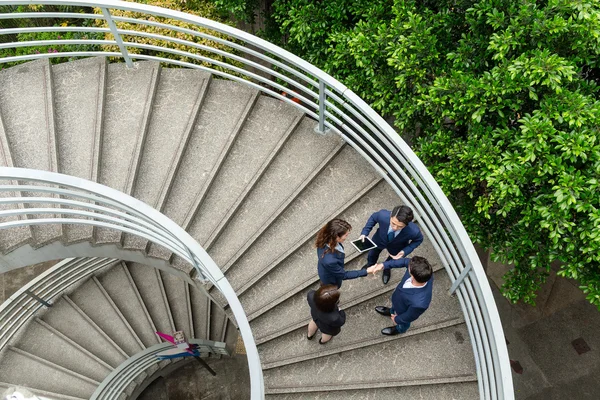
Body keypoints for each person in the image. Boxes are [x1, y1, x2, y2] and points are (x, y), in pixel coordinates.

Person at [359, 205, 423, 284]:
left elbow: (418, 240)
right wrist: (364, 233)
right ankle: (370, 264)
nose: (395, 228)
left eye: (400, 226)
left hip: (397, 247)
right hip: (379, 240)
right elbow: (373, 217)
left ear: (407, 224)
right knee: (372, 254)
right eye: (393, 223)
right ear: (391, 215)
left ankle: (387, 268)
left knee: (391, 260)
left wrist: (404, 251)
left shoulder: (413, 231)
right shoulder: (382, 215)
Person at [373, 256, 433, 335]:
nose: (408, 264)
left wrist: (397, 320)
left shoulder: (420, 303)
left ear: (413, 276)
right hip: (398, 300)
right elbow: (405, 261)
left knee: (404, 324)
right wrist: (383, 265)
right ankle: (391, 311)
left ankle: (399, 329)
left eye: (409, 268)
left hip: (402, 310)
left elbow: (410, 316)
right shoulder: (423, 271)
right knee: (394, 308)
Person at [316, 218, 378, 288]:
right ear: (336, 236)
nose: (347, 237)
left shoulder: (325, 239)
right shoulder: (330, 260)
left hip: (327, 269)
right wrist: (366, 271)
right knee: (332, 295)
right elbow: (344, 275)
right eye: (346, 235)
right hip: (331, 281)